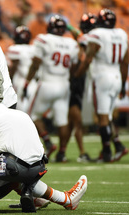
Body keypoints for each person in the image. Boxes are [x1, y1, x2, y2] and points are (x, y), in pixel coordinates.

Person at [0, 94, 88, 213]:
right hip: (38, 169)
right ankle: (47, 196)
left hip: (12, 168)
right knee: (8, 165)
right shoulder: (21, 114)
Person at [75, 9, 128, 162]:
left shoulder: (97, 34)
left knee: (102, 117)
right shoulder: (122, 34)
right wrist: (123, 84)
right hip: (117, 75)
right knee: (107, 116)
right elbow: (125, 61)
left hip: (102, 76)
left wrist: (77, 75)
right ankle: (117, 146)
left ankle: (106, 152)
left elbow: (88, 58)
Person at [25, 15, 79, 162]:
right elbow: (74, 66)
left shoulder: (43, 39)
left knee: (32, 116)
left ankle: (48, 141)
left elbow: (36, 63)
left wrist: (26, 82)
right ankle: (62, 153)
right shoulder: (71, 43)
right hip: (64, 84)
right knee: (62, 120)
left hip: (47, 82)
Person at [65, 13, 98, 162]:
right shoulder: (92, 38)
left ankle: (61, 151)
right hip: (79, 81)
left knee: (72, 122)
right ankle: (82, 152)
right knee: (76, 120)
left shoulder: (86, 39)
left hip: (79, 81)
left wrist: (68, 25)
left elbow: (77, 34)